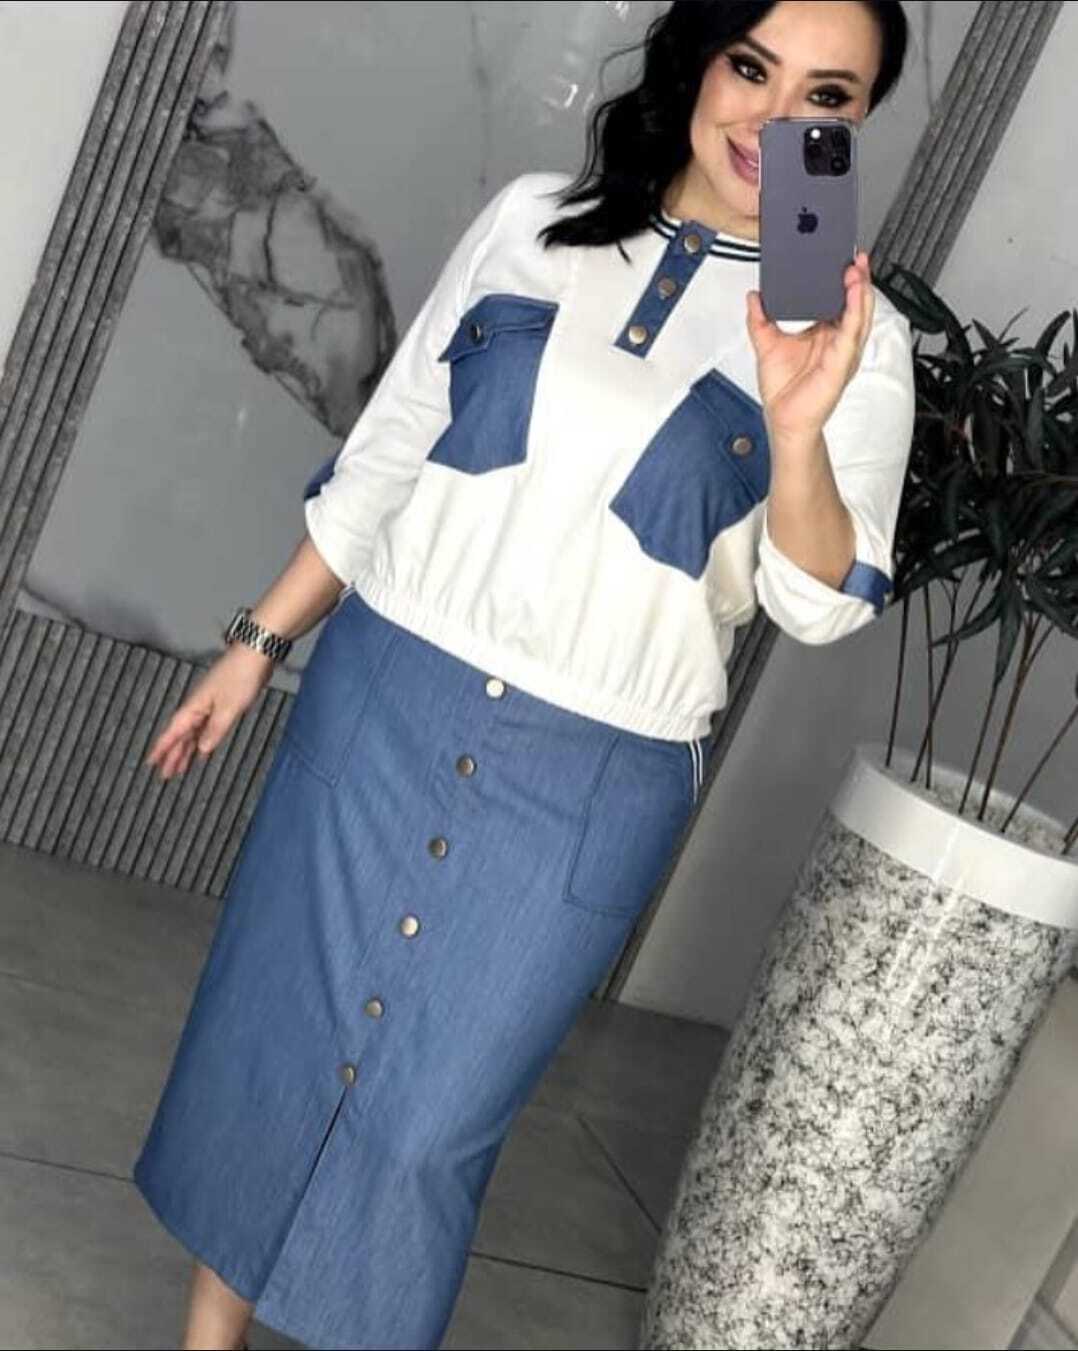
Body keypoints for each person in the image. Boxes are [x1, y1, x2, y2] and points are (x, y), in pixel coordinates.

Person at [133, 2, 913, 1347]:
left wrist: (798, 427)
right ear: (699, 60)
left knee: (423, 1131)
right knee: (277, 1040)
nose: (775, 120)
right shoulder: (533, 225)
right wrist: (256, 646)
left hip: (589, 777)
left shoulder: (860, 341)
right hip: (381, 703)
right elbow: (388, 451)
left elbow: (816, 603)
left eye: (825, 98)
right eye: (751, 67)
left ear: (856, 127)